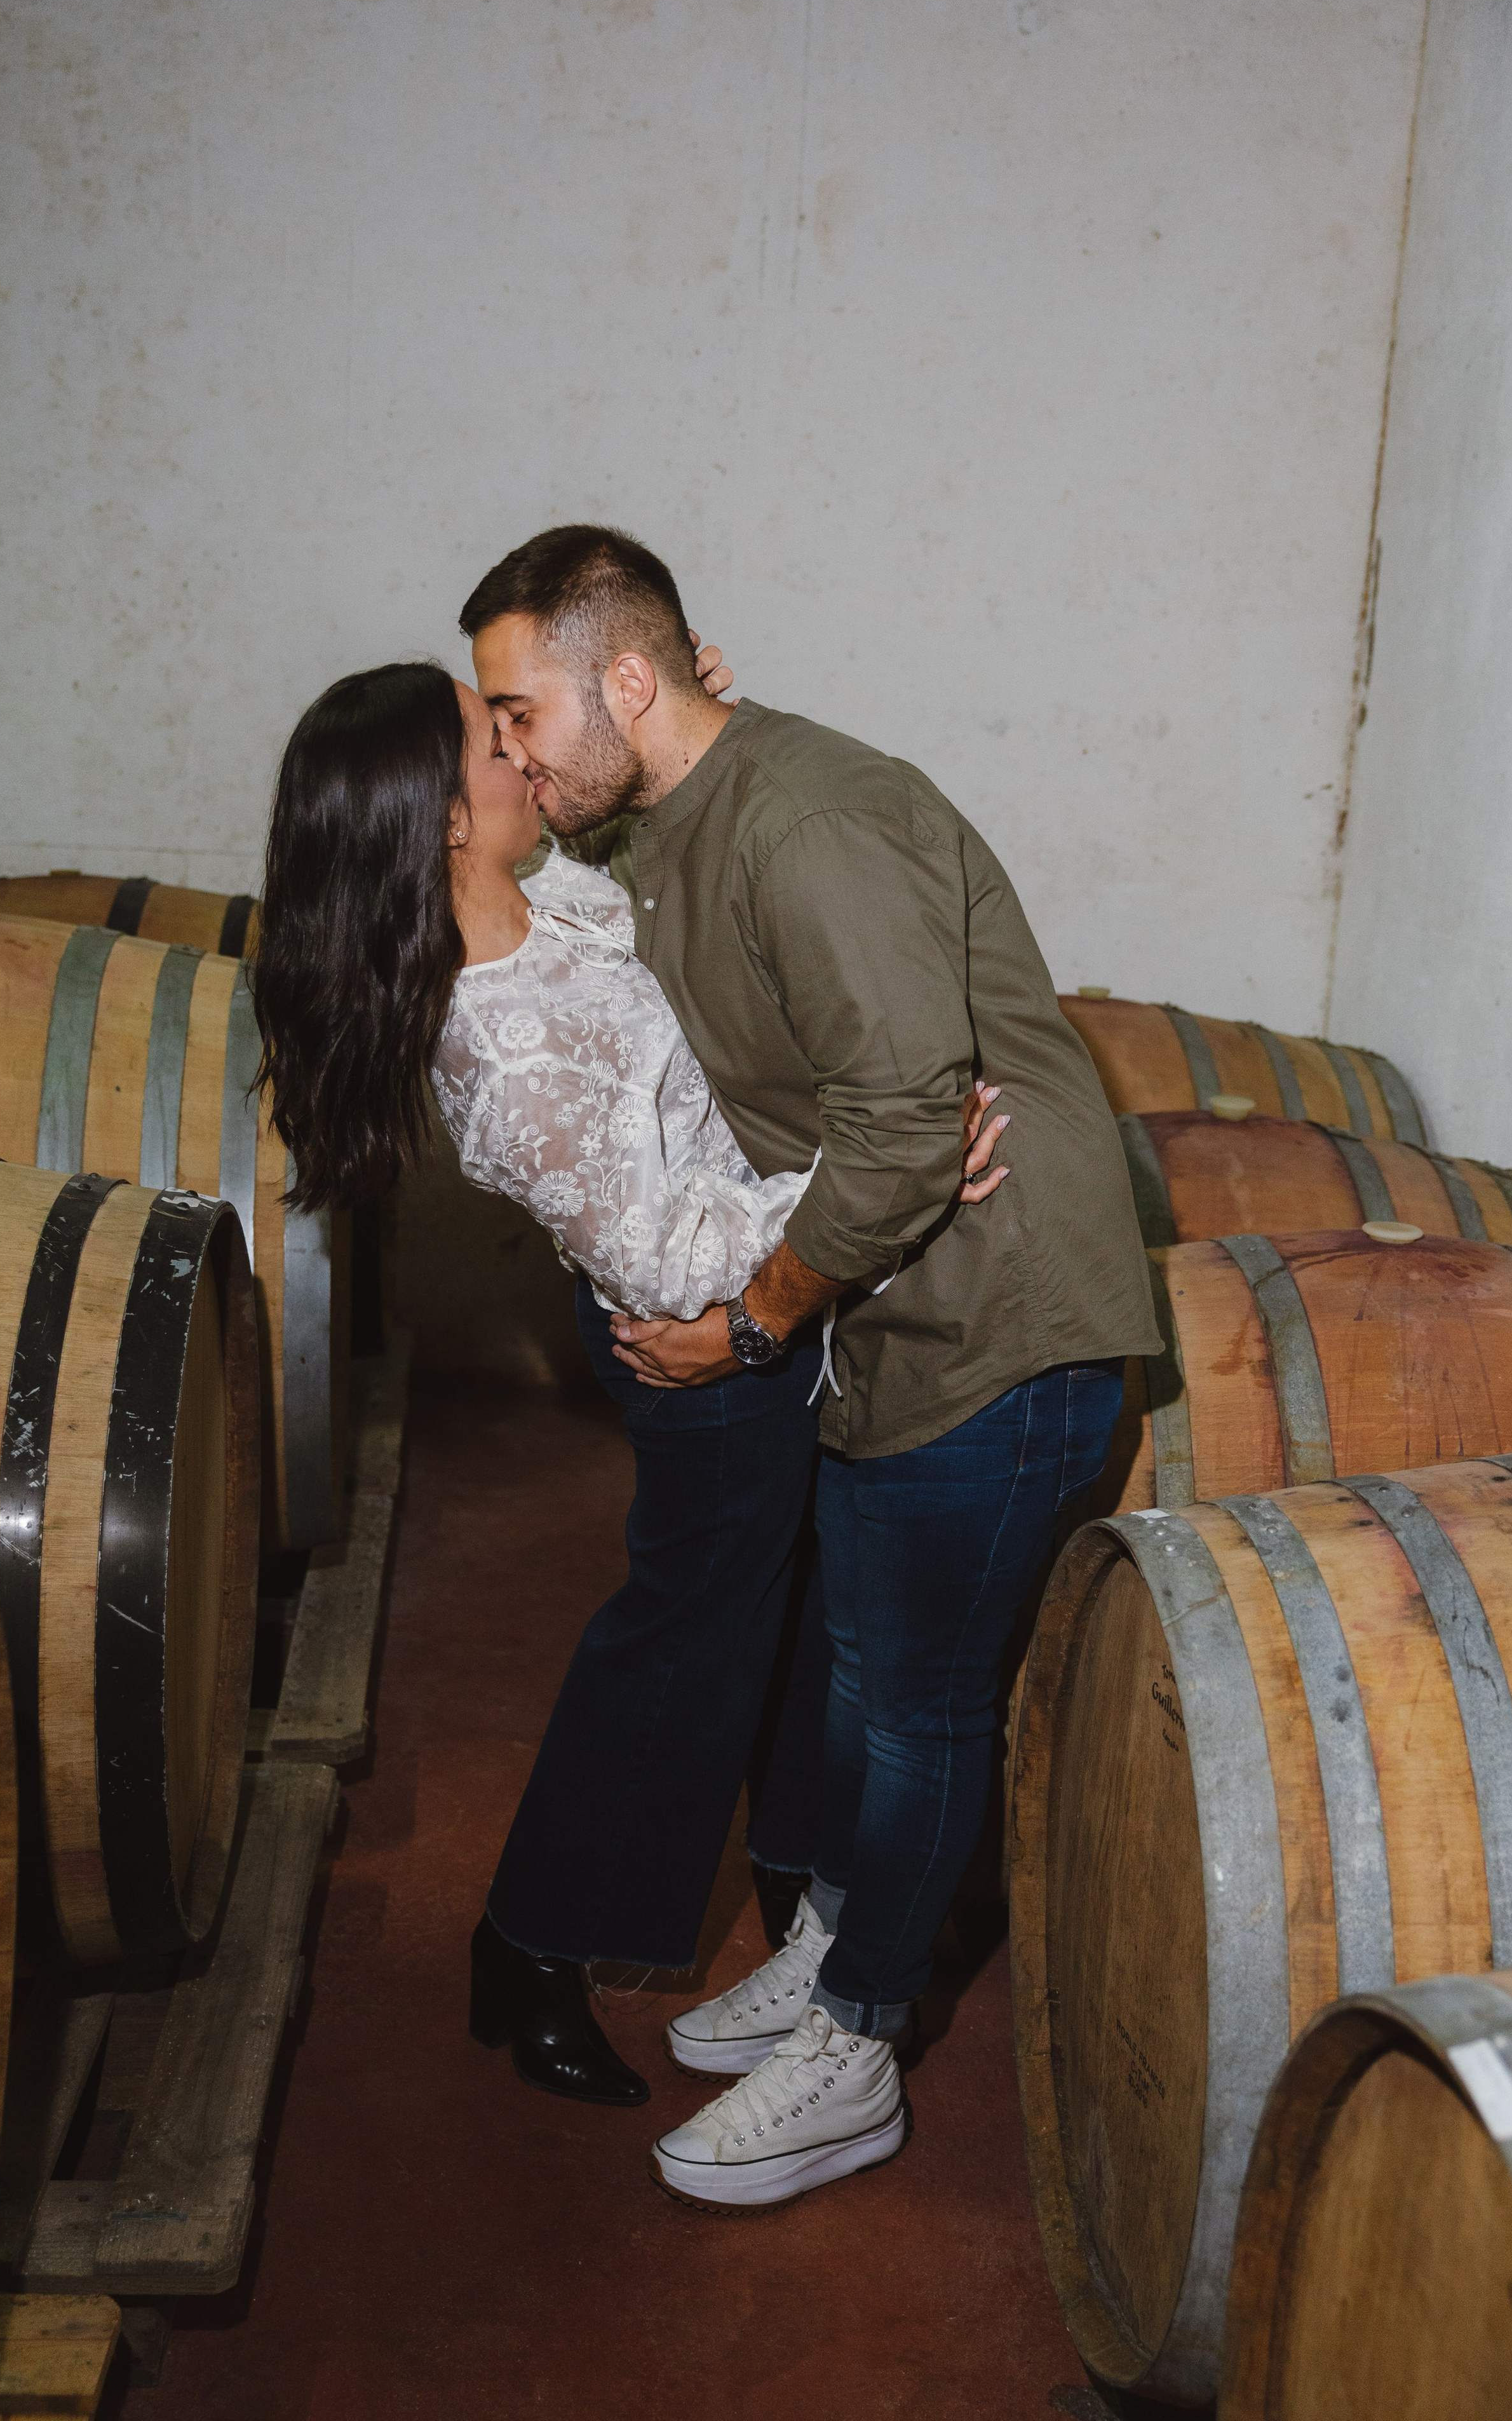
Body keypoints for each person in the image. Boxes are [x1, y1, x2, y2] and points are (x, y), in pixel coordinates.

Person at [461, 524, 1161, 2210]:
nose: (505, 751)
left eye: (515, 712)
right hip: (902, 1310)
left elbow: (915, 1129)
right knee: (851, 1672)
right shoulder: (676, 822)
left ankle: (860, 2049)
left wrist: (755, 1321)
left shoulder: (809, 822)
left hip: (1001, 1324)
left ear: (626, 681)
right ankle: (842, 1936)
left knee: (914, 1713)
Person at [251, 655, 1009, 2113]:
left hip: (764, 1322)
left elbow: (661, 880)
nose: (521, 759)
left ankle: (798, 1888)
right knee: (683, 1648)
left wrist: (650, 718)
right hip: (705, 1358)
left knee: (790, 1616)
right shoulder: (497, 1039)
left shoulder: (563, 907)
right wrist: (870, 1186)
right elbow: (670, 1256)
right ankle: (531, 1946)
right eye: (493, 741)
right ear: (435, 822)